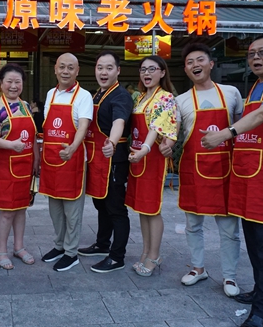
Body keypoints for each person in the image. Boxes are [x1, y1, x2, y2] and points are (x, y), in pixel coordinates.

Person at [201, 36, 263, 327]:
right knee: (255, 243)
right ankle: (260, 291)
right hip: (247, 174)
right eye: (251, 54)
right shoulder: (255, 86)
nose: (255, 58)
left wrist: (224, 134)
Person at [174, 43, 242, 297]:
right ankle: (197, 268)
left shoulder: (231, 93)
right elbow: (173, 133)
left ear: (211, 64)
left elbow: (241, 126)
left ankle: (230, 277)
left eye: (200, 60)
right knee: (193, 225)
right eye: (190, 62)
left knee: (229, 229)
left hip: (226, 169)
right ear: (186, 69)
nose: (195, 65)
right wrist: (165, 145)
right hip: (194, 170)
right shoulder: (181, 101)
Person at [78, 51, 133, 273]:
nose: (103, 72)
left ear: (117, 71)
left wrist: (111, 141)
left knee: (115, 208)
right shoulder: (96, 95)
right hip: (96, 157)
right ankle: (102, 244)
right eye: (100, 67)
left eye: (109, 68)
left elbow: (119, 121)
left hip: (113, 159)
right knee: (101, 203)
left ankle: (117, 256)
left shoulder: (120, 95)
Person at [39, 53, 93, 272]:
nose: (65, 71)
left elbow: (83, 126)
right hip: (52, 161)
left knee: (72, 211)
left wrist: (72, 147)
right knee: (55, 210)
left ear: (77, 71)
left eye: (70, 68)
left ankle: (71, 253)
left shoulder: (84, 96)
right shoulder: (51, 94)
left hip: (72, 161)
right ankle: (59, 246)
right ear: (55, 69)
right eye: (62, 67)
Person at [0, 63, 39, 270]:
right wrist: (11, 145)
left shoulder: (25, 106)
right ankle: (1, 251)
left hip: (25, 167)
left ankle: (19, 247)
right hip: (4, 167)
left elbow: (32, 137)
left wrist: (36, 160)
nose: (14, 86)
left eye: (18, 82)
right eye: (9, 81)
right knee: (6, 211)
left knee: (21, 209)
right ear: (1, 84)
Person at [126, 55, 178, 277]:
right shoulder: (138, 99)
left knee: (152, 209)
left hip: (151, 158)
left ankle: (154, 255)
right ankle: (145, 251)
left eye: (152, 69)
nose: (146, 74)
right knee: (141, 209)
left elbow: (157, 128)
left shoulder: (165, 98)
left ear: (162, 72)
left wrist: (145, 150)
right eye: (143, 70)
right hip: (136, 158)